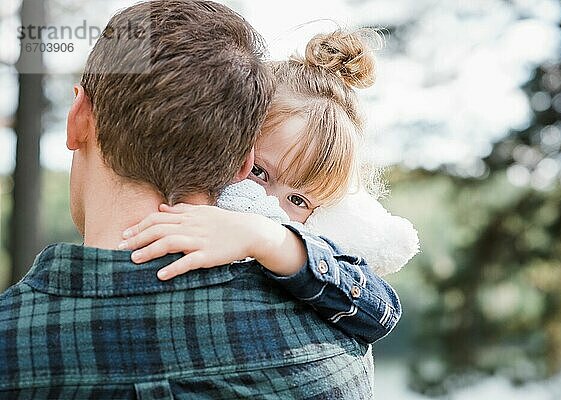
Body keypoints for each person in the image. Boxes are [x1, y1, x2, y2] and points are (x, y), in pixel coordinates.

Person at [0, 1, 376, 398]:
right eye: (262, 175)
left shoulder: (11, 345)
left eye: (298, 199)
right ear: (242, 163)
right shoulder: (335, 350)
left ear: (78, 118)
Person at [120, 30, 420, 343]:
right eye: (260, 172)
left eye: (299, 200)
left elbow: (381, 313)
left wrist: (269, 240)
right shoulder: (182, 206)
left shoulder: (300, 252)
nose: (270, 205)